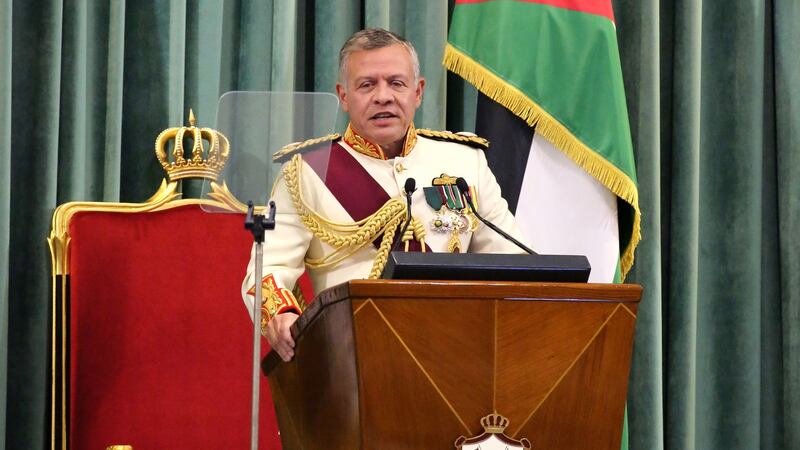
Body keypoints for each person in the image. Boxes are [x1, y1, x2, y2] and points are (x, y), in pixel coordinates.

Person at [241, 28, 529, 361]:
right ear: (344, 96)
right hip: (354, 356)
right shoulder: (307, 172)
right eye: (367, 85)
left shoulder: (464, 161)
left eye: (396, 83)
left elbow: (513, 262)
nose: (383, 96)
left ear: (417, 92)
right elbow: (266, 269)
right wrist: (280, 315)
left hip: (456, 353)